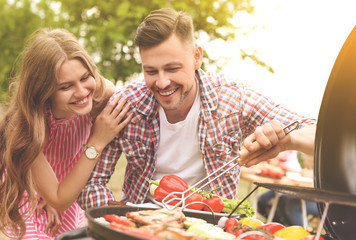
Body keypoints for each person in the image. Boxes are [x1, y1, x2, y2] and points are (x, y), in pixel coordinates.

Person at [78, 8, 316, 209]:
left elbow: (319, 133)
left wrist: (288, 138)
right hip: (140, 227)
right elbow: (91, 183)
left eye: (172, 68)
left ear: (196, 57)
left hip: (210, 226)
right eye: (151, 71)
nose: (162, 83)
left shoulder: (232, 98)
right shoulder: (127, 104)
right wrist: (119, 219)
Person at [0, 28, 132, 239]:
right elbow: (59, 198)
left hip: (69, 187)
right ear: (44, 90)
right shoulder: (28, 123)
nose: (81, 92)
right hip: (28, 187)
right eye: (65, 87)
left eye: (85, 77)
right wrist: (97, 142)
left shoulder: (100, 93)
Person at [257, 151, 319, 227]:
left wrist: (314, 174)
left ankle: (307, 234)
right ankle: (282, 228)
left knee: (291, 205)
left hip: (325, 201)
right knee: (280, 200)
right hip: (311, 193)